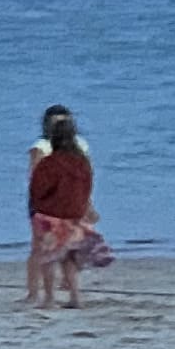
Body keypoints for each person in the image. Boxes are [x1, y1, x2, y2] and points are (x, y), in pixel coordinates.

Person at [27, 105, 107, 310]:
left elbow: (38, 186)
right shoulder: (82, 162)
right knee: (68, 256)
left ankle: (49, 298)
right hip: (74, 213)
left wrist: (38, 206)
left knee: (48, 256)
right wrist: (84, 206)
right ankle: (75, 297)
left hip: (50, 214)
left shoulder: (50, 163)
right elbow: (88, 183)